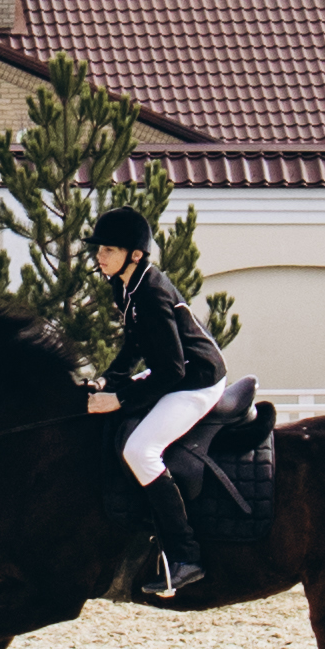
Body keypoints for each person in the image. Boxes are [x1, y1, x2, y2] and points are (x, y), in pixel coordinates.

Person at [83, 205, 227, 598]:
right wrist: (107, 380)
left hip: (196, 381)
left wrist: (119, 399)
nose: (99, 256)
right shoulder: (125, 285)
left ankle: (185, 557)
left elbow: (172, 372)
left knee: (142, 450)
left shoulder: (150, 293)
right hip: (174, 372)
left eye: (108, 250)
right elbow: (135, 344)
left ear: (134, 254)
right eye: (99, 249)